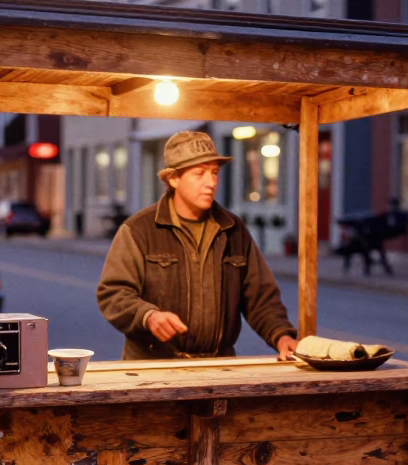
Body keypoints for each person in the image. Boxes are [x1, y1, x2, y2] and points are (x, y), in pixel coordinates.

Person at [97, 131, 298, 361]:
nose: (211, 182)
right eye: (199, 173)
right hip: (153, 369)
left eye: (214, 172)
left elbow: (260, 298)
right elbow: (113, 294)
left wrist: (281, 335)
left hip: (217, 368)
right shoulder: (139, 230)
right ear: (173, 178)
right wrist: (148, 316)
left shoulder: (233, 230)